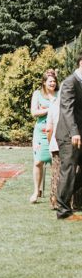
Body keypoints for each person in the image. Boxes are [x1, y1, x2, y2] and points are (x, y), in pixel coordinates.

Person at [55, 54, 82, 220]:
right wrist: (74, 132)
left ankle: (63, 196)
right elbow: (67, 110)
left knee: (71, 174)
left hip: (79, 134)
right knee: (69, 170)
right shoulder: (70, 82)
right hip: (69, 135)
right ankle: (63, 211)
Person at [29, 69, 57, 203]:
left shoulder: (59, 95)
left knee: (55, 163)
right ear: (44, 83)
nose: (53, 83)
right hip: (40, 133)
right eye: (50, 81)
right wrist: (49, 108)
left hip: (56, 132)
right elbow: (34, 112)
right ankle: (36, 191)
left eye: (54, 81)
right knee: (38, 161)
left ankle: (55, 192)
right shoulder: (37, 94)